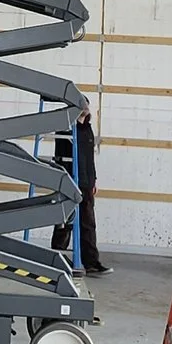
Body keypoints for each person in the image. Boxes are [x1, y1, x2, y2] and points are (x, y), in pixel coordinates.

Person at [49, 102, 110, 276]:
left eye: (86, 104)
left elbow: (89, 158)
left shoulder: (87, 130)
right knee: (65, 221)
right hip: (70, 180)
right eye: (81, 104)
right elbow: (61, 157)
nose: (85, 107)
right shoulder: (66, 129)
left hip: (86, 182)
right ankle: (57, 258)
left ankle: (91, 262)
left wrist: (94, 180)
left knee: (88, 223)